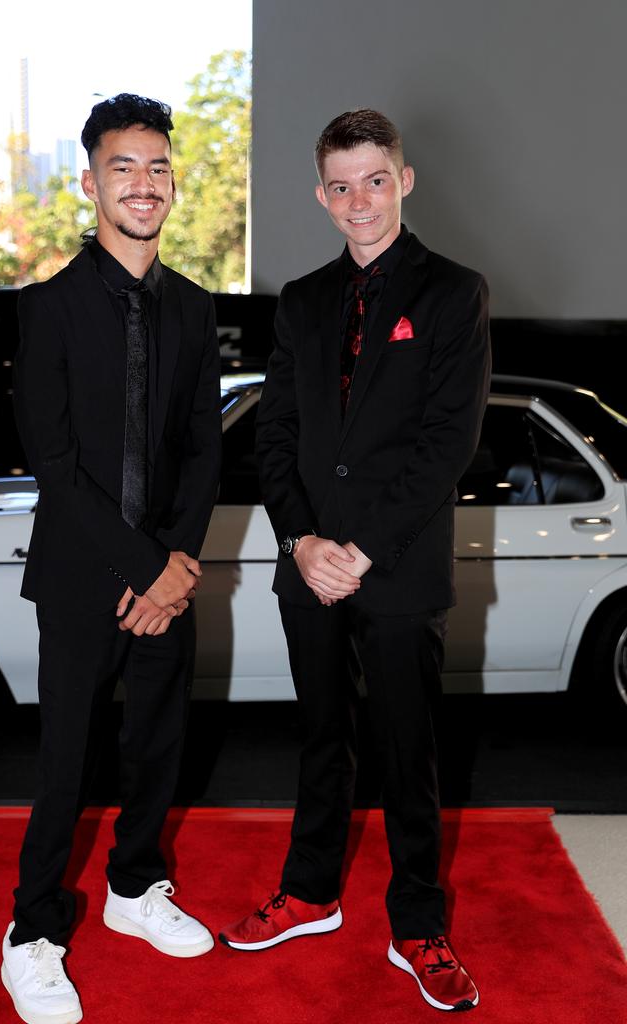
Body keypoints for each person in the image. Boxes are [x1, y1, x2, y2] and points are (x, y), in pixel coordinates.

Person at [219, 109, 490, 1013]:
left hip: (398, 567)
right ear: (320, 195)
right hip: (310, 565)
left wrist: (361, 551)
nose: (358, 200)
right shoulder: (299, 301)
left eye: (375, 179)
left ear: (405, 181)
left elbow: (445, 447)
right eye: (340, 184)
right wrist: (301, 542)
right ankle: (311, 893)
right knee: (319, 741)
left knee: (407, 752)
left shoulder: (453, 293)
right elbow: (278, 437)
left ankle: (418, 926)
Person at [1, 93, 221, 1024]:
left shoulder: (197, 309)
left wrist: (175, 565)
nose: (144, 183)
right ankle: (32, 934)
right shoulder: (47, 308)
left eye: (158, 167)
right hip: (85, 572)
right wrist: (143, 567)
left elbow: (206, 451)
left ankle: (135, 889)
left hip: (166, 574)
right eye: (124, 166)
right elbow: (55, 464)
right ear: (90, 182)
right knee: (68, 761)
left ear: (173, 184)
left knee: (159, 747)